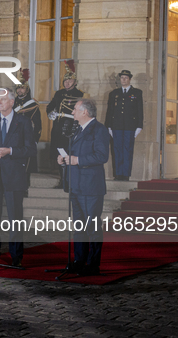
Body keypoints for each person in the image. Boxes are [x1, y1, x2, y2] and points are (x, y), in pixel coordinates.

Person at [0, 88, 37, 267]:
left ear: (12, 102)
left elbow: (31, 150)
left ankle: (16, 257)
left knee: (15, 218)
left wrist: (9, 151)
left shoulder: (23, 122)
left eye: (3, 99)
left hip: (14, 176)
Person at [57, 98, 109, 276]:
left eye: (75, 109)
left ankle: (93, 264)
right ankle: (79, 260)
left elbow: (102, 156)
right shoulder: (78, 129)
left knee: (92, 226)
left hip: (91, 187)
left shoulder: (99, 129)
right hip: (76, 185)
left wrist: (77, 160)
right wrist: (65, 160)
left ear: (85, 112)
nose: (72, 112)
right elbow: (74, 156)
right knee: (78, 226)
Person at [46, 60, 84, 187]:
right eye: (65, 81)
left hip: (71, 127)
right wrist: (50, 113)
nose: (67, 83)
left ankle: (69, 180)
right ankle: (62, 179)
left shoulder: (80, 95)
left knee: (70, 154)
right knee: (59, 154)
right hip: (58, 128)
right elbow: (50, 106)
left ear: (75, 82)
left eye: (70, 81)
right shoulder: (59, 93)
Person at [105, 70, 144, 181]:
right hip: (116, 126)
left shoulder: (137, 93)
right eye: (122, 77)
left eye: (126, 78)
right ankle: (118, 174)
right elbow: (110, 110)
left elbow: (140, 110)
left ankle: (125, 174)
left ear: (130, 79)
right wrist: (108, 126)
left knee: (127, 150)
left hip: (130, 127)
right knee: (116, 150)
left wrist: (139, 126)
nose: (123, 80)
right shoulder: (114, 93)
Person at [14, 69, 42, 192]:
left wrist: (35, 140)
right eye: (18, 88)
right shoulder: (12, 103)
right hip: (13, 139)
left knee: (26, 166)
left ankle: (24, 188)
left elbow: (38, 125)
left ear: (27, 89)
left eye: (22, 88)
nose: (20, 90)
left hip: (26, 139)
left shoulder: (32, 105)